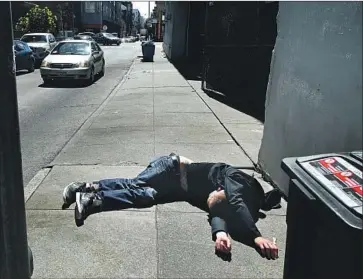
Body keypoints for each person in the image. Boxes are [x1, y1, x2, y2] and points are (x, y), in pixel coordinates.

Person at [62, 153, 282, 261]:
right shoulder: (238, 178)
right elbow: (229, 201)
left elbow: (219, 207)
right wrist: (255, 237)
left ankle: (91, 200)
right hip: (172, 167)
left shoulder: (245, 203)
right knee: (137, 184)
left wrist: (220, 234)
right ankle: (84, 187)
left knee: (145, 196)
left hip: (175, 188)